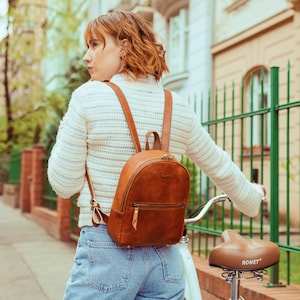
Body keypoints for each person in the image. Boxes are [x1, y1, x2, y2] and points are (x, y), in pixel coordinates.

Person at [47, 10, 266, 300]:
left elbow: (63, 184)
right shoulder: (177, 105)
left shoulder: (89, 96)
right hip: (165, 257)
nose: (87, 56)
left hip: (106, 250)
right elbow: (219, 165)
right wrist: (252, 198)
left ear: (124, 46)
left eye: (96, 45)